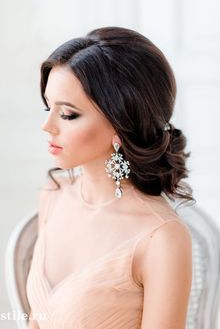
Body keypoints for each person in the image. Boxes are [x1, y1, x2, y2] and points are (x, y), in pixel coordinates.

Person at [26, 26, 195, 329]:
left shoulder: (162, 238)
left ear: (120, 122)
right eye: (47, 107)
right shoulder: (53, 195)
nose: (47, 126)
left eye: (67, 115)